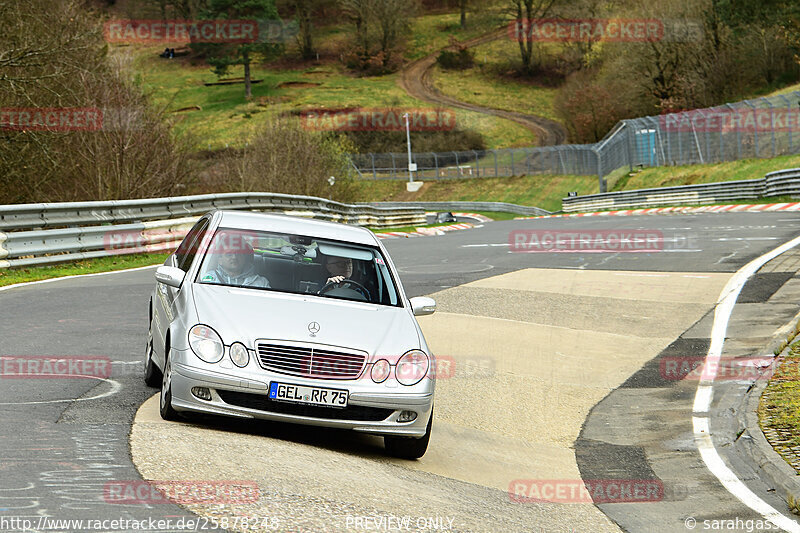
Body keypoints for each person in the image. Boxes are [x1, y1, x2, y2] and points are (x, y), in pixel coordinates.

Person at [201, 236, 270, 288]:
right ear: (220, 260)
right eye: (229, 254)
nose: (234, 257)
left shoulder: (261, 283)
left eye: (238, 253)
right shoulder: (210, 280)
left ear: (244, 257)